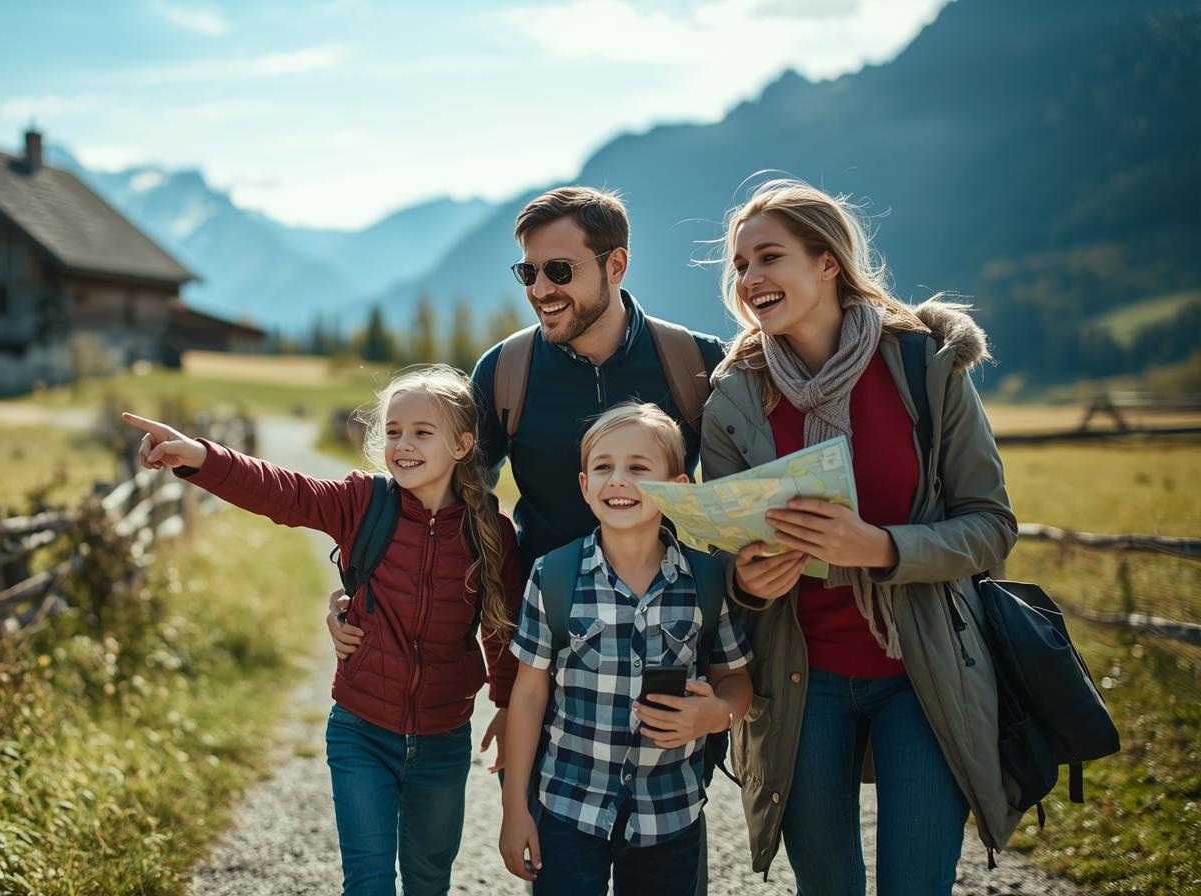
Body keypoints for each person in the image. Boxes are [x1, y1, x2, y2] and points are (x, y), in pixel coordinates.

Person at [329, 186, 726, 770]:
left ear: (616, 264)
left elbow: (740, 502)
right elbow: (440, 503)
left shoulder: (697, 362)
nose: (540, 290)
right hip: (547, 646)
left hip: (667, 642)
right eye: (528, 272)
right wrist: (359, 587)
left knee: (669, 843)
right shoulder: (505, 369)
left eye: (559, 270)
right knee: (552, 852)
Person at [701, 177, 1021, 894]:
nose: (750, 278)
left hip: (923, 668)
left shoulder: (925, 363)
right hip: (797, 677)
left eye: (769, 257)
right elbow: (718, 557)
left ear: (827, 264)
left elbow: (991, 525)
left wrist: (879, 548)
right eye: (740, 264)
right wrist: (747, 579)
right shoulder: (733, 393)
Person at [123, 364, 524, 896]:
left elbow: (503, 628)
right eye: (395, 432)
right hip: (361, 731)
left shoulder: (490, 532)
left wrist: (504, 703)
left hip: (443, 742)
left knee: (430, 882)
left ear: (461, 445)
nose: (403, 445)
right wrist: (198, 456)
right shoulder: (364, 503)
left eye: (422, 433)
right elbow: (284, 492)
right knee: (368, 882)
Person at [497, 402, 753, 895]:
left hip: (670, 813)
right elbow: (527, 697)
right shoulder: (553, 575)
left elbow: (735, 676)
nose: (618, 479)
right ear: (584, 486)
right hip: (569, 808)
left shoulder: (703, 579)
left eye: (638, 468)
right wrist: (515, 808)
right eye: (603, 467)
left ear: (676, 488)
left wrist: (717, 715)